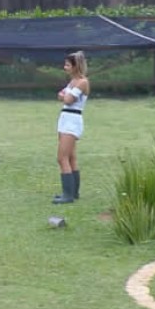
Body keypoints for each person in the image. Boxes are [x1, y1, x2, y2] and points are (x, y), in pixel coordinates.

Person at [52, 51, 89, 204]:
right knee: (71, 157)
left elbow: (67, 99)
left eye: (68, 65)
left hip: (72, 120)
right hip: (65, 118)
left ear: (75, 66)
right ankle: (73, 192)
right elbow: (61, 95)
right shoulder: (72, 82)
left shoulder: (82, 82)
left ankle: (67, 196)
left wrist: (64, 96)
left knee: (62, 158)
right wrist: (63, 96)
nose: (65, 67)